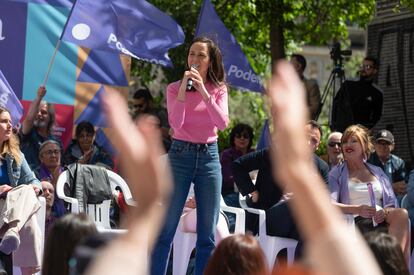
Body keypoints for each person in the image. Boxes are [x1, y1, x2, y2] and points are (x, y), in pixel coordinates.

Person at [84, 61, 383, 275]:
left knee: (301, 223)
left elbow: (325, 202)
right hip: (268, 214)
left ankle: (302, 266)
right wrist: (255, 191)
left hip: (293, 220)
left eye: (314, 140)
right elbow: (239, 167)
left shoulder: (318, 165)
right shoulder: (271, 154)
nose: (310, 142)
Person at [151, 36, 229, 275]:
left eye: (201, 55)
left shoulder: (219, 89)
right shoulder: (175, 87)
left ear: (210, 60)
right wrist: (186, 88)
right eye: (192, 54)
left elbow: (223, 123)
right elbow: (176, 122)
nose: (194, 59)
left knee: (207, 235)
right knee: (166, 230)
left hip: (209, 158)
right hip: (180, 155)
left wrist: (205, 92)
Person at [329, 124, 410, 261]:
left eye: (353, 140)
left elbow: (391, 203)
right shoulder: (336, 173)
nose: (348, 144)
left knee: (402, 214)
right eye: (345, 141)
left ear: (364, 145)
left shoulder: (377, 171)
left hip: (381, 218)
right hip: (355, 221)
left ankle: (394, 265)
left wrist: (384, 212)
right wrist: (357, 209)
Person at [0, 106, 43, 275]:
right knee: (28, 211)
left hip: (10, 210)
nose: (10, 125)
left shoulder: (15, 154)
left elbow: (35, 181)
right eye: (4, 121)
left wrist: (36, 188)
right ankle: (29, 271)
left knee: (27, 190)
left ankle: (12, 229)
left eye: (10, 122)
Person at [331, 56, 383, 132]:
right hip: (342, 130)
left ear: (374, 71)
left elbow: (376, 117)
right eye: (362, 66)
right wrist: (334, 126)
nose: (363, 69)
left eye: (367, 67)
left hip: (359, 133)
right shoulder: (348, 85)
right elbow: (335, 105)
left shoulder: (377, 93)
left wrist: (365, 130)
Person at [20, 86, 61, 169]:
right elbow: (29, 119)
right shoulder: (28, 133)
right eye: (37, 111)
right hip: (29, 180)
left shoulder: (56, 141)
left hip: (48, 180)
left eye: (43, 112)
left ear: (51, 117)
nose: (39, 114)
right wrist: (39, 97)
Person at [221, 123, 254, 208]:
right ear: (233, 139)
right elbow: (228, 179)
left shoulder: (255, 154)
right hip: (231, 193)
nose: (242, 138)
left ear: (250, 139)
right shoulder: (227, 154)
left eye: (245, 136)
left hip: (253, 193)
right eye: (238, 136)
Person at [368, 129, 406, 201]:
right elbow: (368, 185)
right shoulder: (368, 161)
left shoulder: (399, 162)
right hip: (374, 197)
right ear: (374, 145)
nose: (383, 147)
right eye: (379, 143)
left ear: (393, 146)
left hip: (394, 197)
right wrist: (391, 187)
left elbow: (401, 185)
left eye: (387, 143)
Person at [35, 140, 67, 218]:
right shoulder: (35, 175)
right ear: (41, 157)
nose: (53, 155)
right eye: (49, 152)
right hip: (43, 216)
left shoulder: (67, 174)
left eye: (56, 152)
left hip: (66, 216)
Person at [290, 54, 321, 119]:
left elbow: (315, 109)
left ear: (298, 66)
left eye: (291, 64)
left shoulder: (311, 85)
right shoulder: (285, 85)